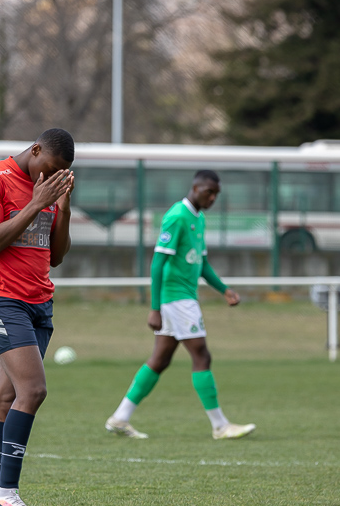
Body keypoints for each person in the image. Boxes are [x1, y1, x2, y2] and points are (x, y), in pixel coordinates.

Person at [105, 169, 256, 441]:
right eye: (210, 193)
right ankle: (220, 425)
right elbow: (158, 263)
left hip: (182, 298)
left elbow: (202, 263)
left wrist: (225, 290)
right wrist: (154, 307)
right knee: (202, 356)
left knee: (160, 360)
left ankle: (120, 417)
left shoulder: (198, 219)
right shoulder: (177, 217)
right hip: (176, 299)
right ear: (196, 188)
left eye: (216, 194)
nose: (213, 198)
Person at [0, 128, 75, 506]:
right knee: (33, 390)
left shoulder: (47, 190)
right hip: (2, 300)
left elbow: (56, 257)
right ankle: (8, 494)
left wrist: (61, 207)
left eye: (62, 173)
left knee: (5, 398)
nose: (51, 177)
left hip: (39, 304)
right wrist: (37, 203)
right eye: (50, 168)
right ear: (35, 151)